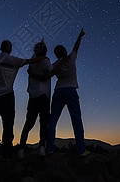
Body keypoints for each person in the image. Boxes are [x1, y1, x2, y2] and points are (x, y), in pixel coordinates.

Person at [0, 38, 42, 160]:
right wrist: (41, 56)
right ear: (10, 49)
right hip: (8, 96)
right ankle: (7, 155)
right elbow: (30, 61)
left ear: (1, 48)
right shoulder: (15, 61)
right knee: (8, 126)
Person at [46, 28, 90, 156]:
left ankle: (49, 148)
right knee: (76, 119)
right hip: (70, 90)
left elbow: (47, 71)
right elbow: (76, 47)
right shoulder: (70, 58)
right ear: (64, 51)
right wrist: (80, 36)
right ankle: (81, 149)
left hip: (58, 91)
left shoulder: (54, 64)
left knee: (52, 120)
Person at [17, 40, 52, 159]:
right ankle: (42, 148)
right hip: (43, 96)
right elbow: (50, 72)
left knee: (28, 123)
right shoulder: (45, 61)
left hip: (32, 96)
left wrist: (31, 74)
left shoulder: (32, 62)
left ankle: (21, 149)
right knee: (43, 123)